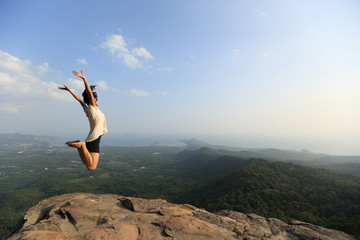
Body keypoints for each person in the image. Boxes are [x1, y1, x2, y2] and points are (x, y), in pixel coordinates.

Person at [58, 70, 108, 171]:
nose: (97, 101)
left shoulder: (88, 109)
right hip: (94, 138)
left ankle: (80, 146)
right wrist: (84, 79)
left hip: (92, 138)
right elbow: (89, 92)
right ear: (93, 100)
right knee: (91, 167)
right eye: (96, 99)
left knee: (87, 163)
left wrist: (69, 90)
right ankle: (81, 145)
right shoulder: (93, 108)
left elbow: (80, 100)